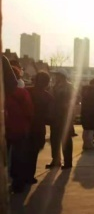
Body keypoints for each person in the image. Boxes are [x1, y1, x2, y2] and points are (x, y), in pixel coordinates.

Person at [4, 58, 34, 193]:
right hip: (19, 129)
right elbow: (29, 111)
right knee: (18, 157)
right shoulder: (21, 93)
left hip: (5, 130)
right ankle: (18, 183)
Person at [26, 71, 53, 182]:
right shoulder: (48, 97)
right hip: (38, 128)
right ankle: (29, 176)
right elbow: (50, 116)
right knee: (33, 153)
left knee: (22, 152)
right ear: (47, 83)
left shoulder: (26, 91)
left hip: (25, 126)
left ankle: (19, 177)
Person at [47, 69, 74, 170]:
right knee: (54, 139)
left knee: (66, 139)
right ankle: (55, 160)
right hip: (55, 116)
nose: (56, 77)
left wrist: (68, 105)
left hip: (65, 116)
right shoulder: (54, 86)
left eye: (57, 75)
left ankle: (68, 161)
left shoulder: (69, 87)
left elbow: (75, 98)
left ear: (62, 76)